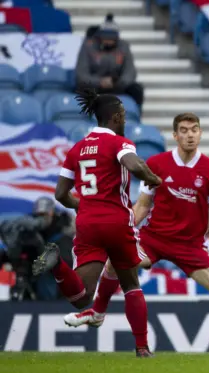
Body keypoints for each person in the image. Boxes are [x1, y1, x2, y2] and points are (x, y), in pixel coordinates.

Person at [63, 113, 209, 358]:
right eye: (183, 130)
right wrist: (123, 230)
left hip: (190, 246)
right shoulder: (157, 163)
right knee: (114, 263)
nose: (190, 135)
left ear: (200, 133)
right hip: (154, 238)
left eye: (194, 129)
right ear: (175, 136)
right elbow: (142, 206)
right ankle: (97, 313)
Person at [31, 89, 162, 357]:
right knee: (131, 285)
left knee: (81, 298)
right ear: (114, 117)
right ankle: (142, 348)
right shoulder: (120, 143)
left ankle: (57, 267)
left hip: (88, 223)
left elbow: (59, 194)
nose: (124, 120)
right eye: (123, 115)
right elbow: (134, 166)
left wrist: (85, 205)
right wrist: (153, 178)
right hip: (116, 222)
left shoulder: (77, 149)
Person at [75, 14, 144, 107]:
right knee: (82, 89)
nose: (108, 41)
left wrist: (118, 83)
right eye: (106, 38)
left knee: (136, 89)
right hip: (95, 85)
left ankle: (134, 116)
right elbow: (81, 74)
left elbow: (130, 71)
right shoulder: (88, 46)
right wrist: (99, 82)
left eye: (111, 39)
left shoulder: (124, 46)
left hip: (116, 85)